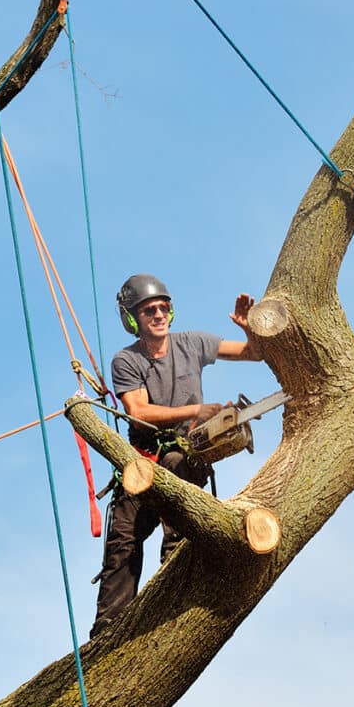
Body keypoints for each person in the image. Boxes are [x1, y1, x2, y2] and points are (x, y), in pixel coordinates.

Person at [90, 273, 260, 637]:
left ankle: (176, 593)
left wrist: (250, 330)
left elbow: (253, 353)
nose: (158, 314)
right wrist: (194, 411)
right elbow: (138, 412)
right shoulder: (127, 360)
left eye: (163, 307)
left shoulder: (193, 343)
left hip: (184, 458)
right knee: (123, 542)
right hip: (141, 463)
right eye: (148, 309)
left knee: (180, 481)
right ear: (133, 319)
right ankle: (107, 632)